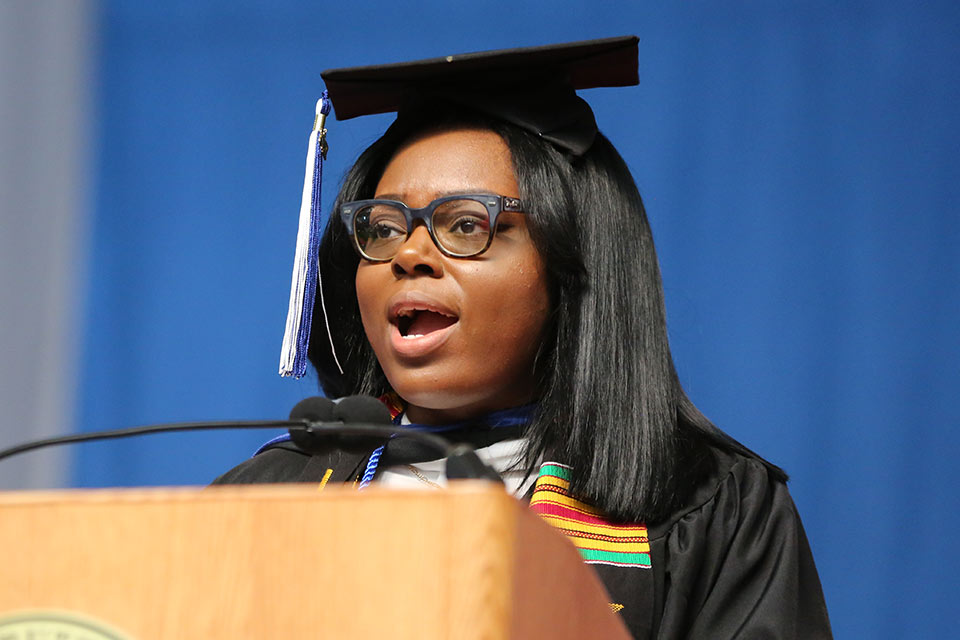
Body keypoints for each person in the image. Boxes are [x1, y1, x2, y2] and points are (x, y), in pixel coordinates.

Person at [215, 37, 832, 639]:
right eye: (382, 228)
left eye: (464, 224)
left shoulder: (711, 508)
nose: (408, 255)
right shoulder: (271, 495)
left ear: (574, 264)